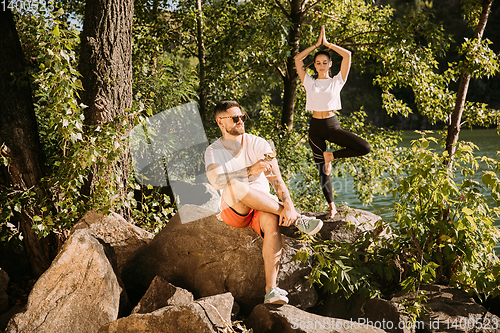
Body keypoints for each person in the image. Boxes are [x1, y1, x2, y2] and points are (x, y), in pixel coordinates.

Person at [204, 100, 323, 305]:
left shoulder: (259, 144)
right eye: (235, 118)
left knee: (270, 220)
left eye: (243, 117)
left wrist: (290, 207)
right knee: (235, 184)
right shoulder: (213, 151)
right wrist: (251, 170)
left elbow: (276, 180)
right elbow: (216, 181)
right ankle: (297, 221)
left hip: (263, 206)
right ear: (220, 122)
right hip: (235, 209)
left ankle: (271, 290)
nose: (241, 121)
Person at [294, 25, 371, 219]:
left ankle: (332, 156)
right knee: (322, 170)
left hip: (332, 125)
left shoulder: (337, 80)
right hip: (315, 128)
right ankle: (331, 207)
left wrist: (327, 44)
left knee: (365, 147)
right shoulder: (308, 81)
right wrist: (315, 45)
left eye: (324, 62)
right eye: (318, 62)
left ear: (330, 64)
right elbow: (297, 59)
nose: (321, 65)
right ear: (315, 65)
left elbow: (347, 56)